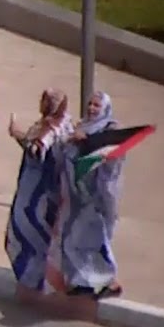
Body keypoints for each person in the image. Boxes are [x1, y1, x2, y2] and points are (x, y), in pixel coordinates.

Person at [51, 91, 125, 299]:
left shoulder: (109, 131)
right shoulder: (81, 126)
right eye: (90, 104)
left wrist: (87, 141)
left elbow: (109, 158)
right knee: (73, 239)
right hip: (76, 195)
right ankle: (81, 282)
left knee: (96, 239)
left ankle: (109, 282)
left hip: (96, 196)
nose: (92, 109)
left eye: (96, 106)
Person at [4, 88, 73, 292]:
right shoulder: (64, 123)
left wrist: (17, 133)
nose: (42, 102)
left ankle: (36, 282)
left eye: (46, 99)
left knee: (26, 235)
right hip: (46, 189)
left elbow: (36, 150)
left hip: (37, 195)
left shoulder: (50, 128)